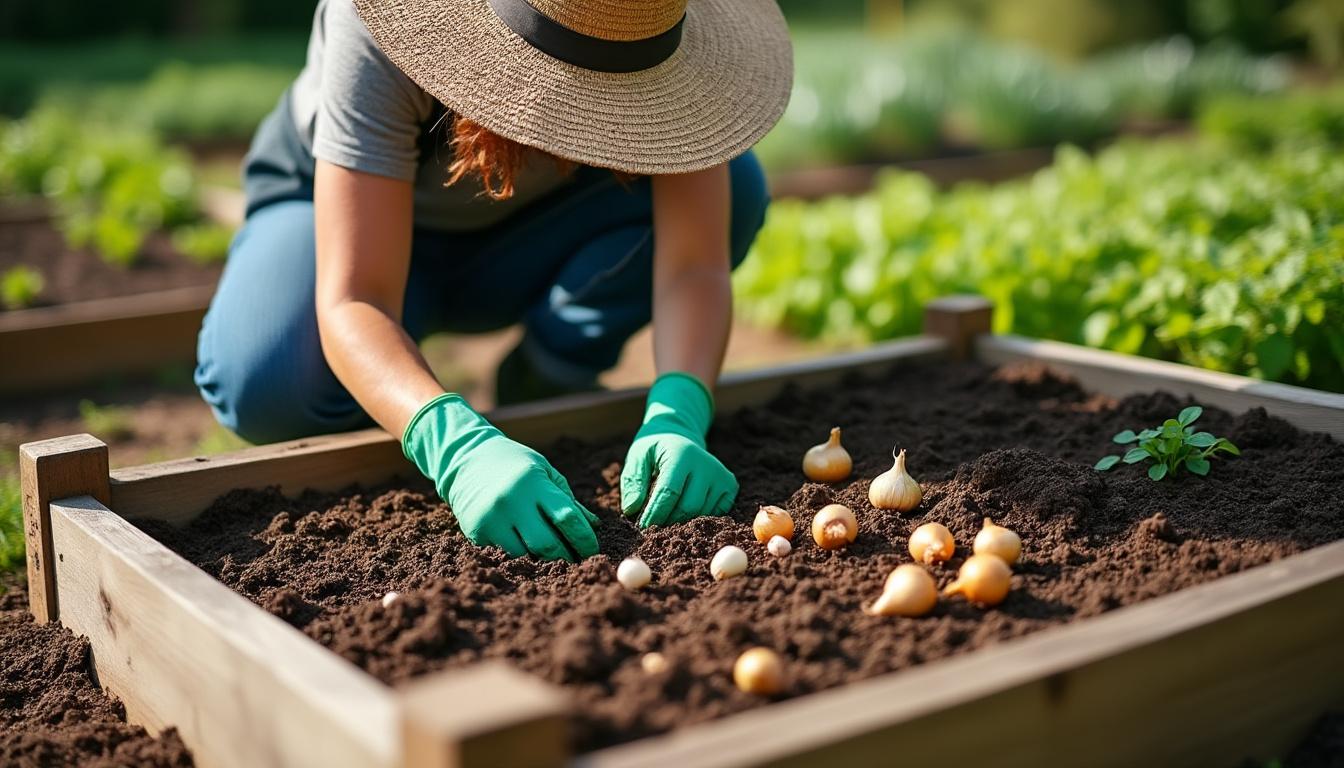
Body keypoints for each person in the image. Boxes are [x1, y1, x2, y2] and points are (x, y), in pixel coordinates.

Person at [194, 0, 793, 561]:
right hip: (346, 218)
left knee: (736, 188)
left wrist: (680, 410)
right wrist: (454, 446)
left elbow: (695, 264)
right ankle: (390, 407)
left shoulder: (662, 33)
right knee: (265, 383)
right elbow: (356, 297)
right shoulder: (381, 25)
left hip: (528, 233)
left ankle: (547, 370)